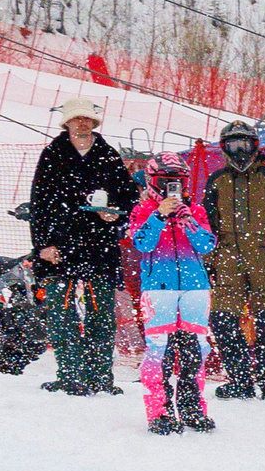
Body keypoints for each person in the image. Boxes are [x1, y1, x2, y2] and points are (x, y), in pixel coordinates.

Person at [27, 98, 138, 394]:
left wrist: (113, 214)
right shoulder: (52, 154)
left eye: (87, 119)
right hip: (59, 246)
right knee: (61, 315)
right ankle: (70, 376)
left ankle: (100, 377)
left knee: (101, 314)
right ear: (67, 122)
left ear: (94, 123)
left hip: (98, 245)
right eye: (76, 119)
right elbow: (38, 204)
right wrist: (43, 246)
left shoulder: (108, 155)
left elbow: (129, 199)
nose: (82, 123)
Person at [201, 119, 265, 401]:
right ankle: (240, 379)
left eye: (244, 144)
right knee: (222, 320)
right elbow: (208, 225)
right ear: (224, 149)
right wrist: (209, 260)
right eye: (233, 145)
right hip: (228, 260)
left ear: (254, 146)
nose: (239, 151)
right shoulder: (217, 181)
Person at [129, 171, 218, 434]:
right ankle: (160, 412)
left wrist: (187, 219)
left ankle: (193, 410)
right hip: (159, 289)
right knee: (159, 352)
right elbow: (142, 243)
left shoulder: (196, 210)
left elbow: (206, 245)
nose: (172, 186)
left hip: (195, 288)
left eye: (177, 180)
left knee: (195, 351)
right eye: (166, 180)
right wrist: (158, 215)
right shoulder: (142, 209)